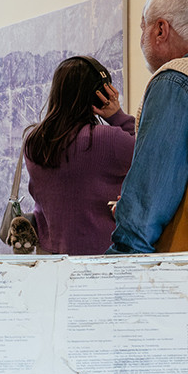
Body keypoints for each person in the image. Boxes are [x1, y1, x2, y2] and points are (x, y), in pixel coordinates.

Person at [22, 56, 134, 255]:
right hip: (100, 255)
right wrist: (117, 115)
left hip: (50, 256)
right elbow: (147, 154)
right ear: (99, 95)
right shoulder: (108, 139)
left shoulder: (34, 140)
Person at [109, 0, 188, 253]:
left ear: (161, 30)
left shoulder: (174, 81)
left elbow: (144, 213)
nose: (141, 38)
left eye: (143, 27)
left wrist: (120, 263)